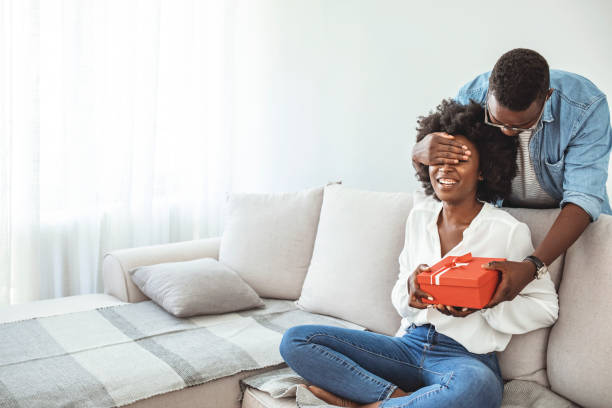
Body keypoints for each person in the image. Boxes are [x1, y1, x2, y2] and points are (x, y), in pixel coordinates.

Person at [279, 100, 559, 408]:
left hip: (463, 358)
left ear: (483, 171)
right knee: (296, 341)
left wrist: (486, 305)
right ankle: (398, 400)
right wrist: (410, 294)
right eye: (439, 159)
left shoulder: (507, 230)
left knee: (478, 389)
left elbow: (546, 308)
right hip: (407, 346)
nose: (446, 168)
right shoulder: (419, 218)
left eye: (460, 159)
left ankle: (370, 404)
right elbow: (401, 295)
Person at [412, 48, 612, 310]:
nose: (507, 131)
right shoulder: (473, 95)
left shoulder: (585, 106)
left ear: (547, 97)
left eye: (520, 126)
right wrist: (418, 153)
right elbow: (451, 174)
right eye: (496, 121)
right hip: (503, 215)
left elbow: (583, 197)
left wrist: (533, 266)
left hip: (568, 223)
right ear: (490, 89)